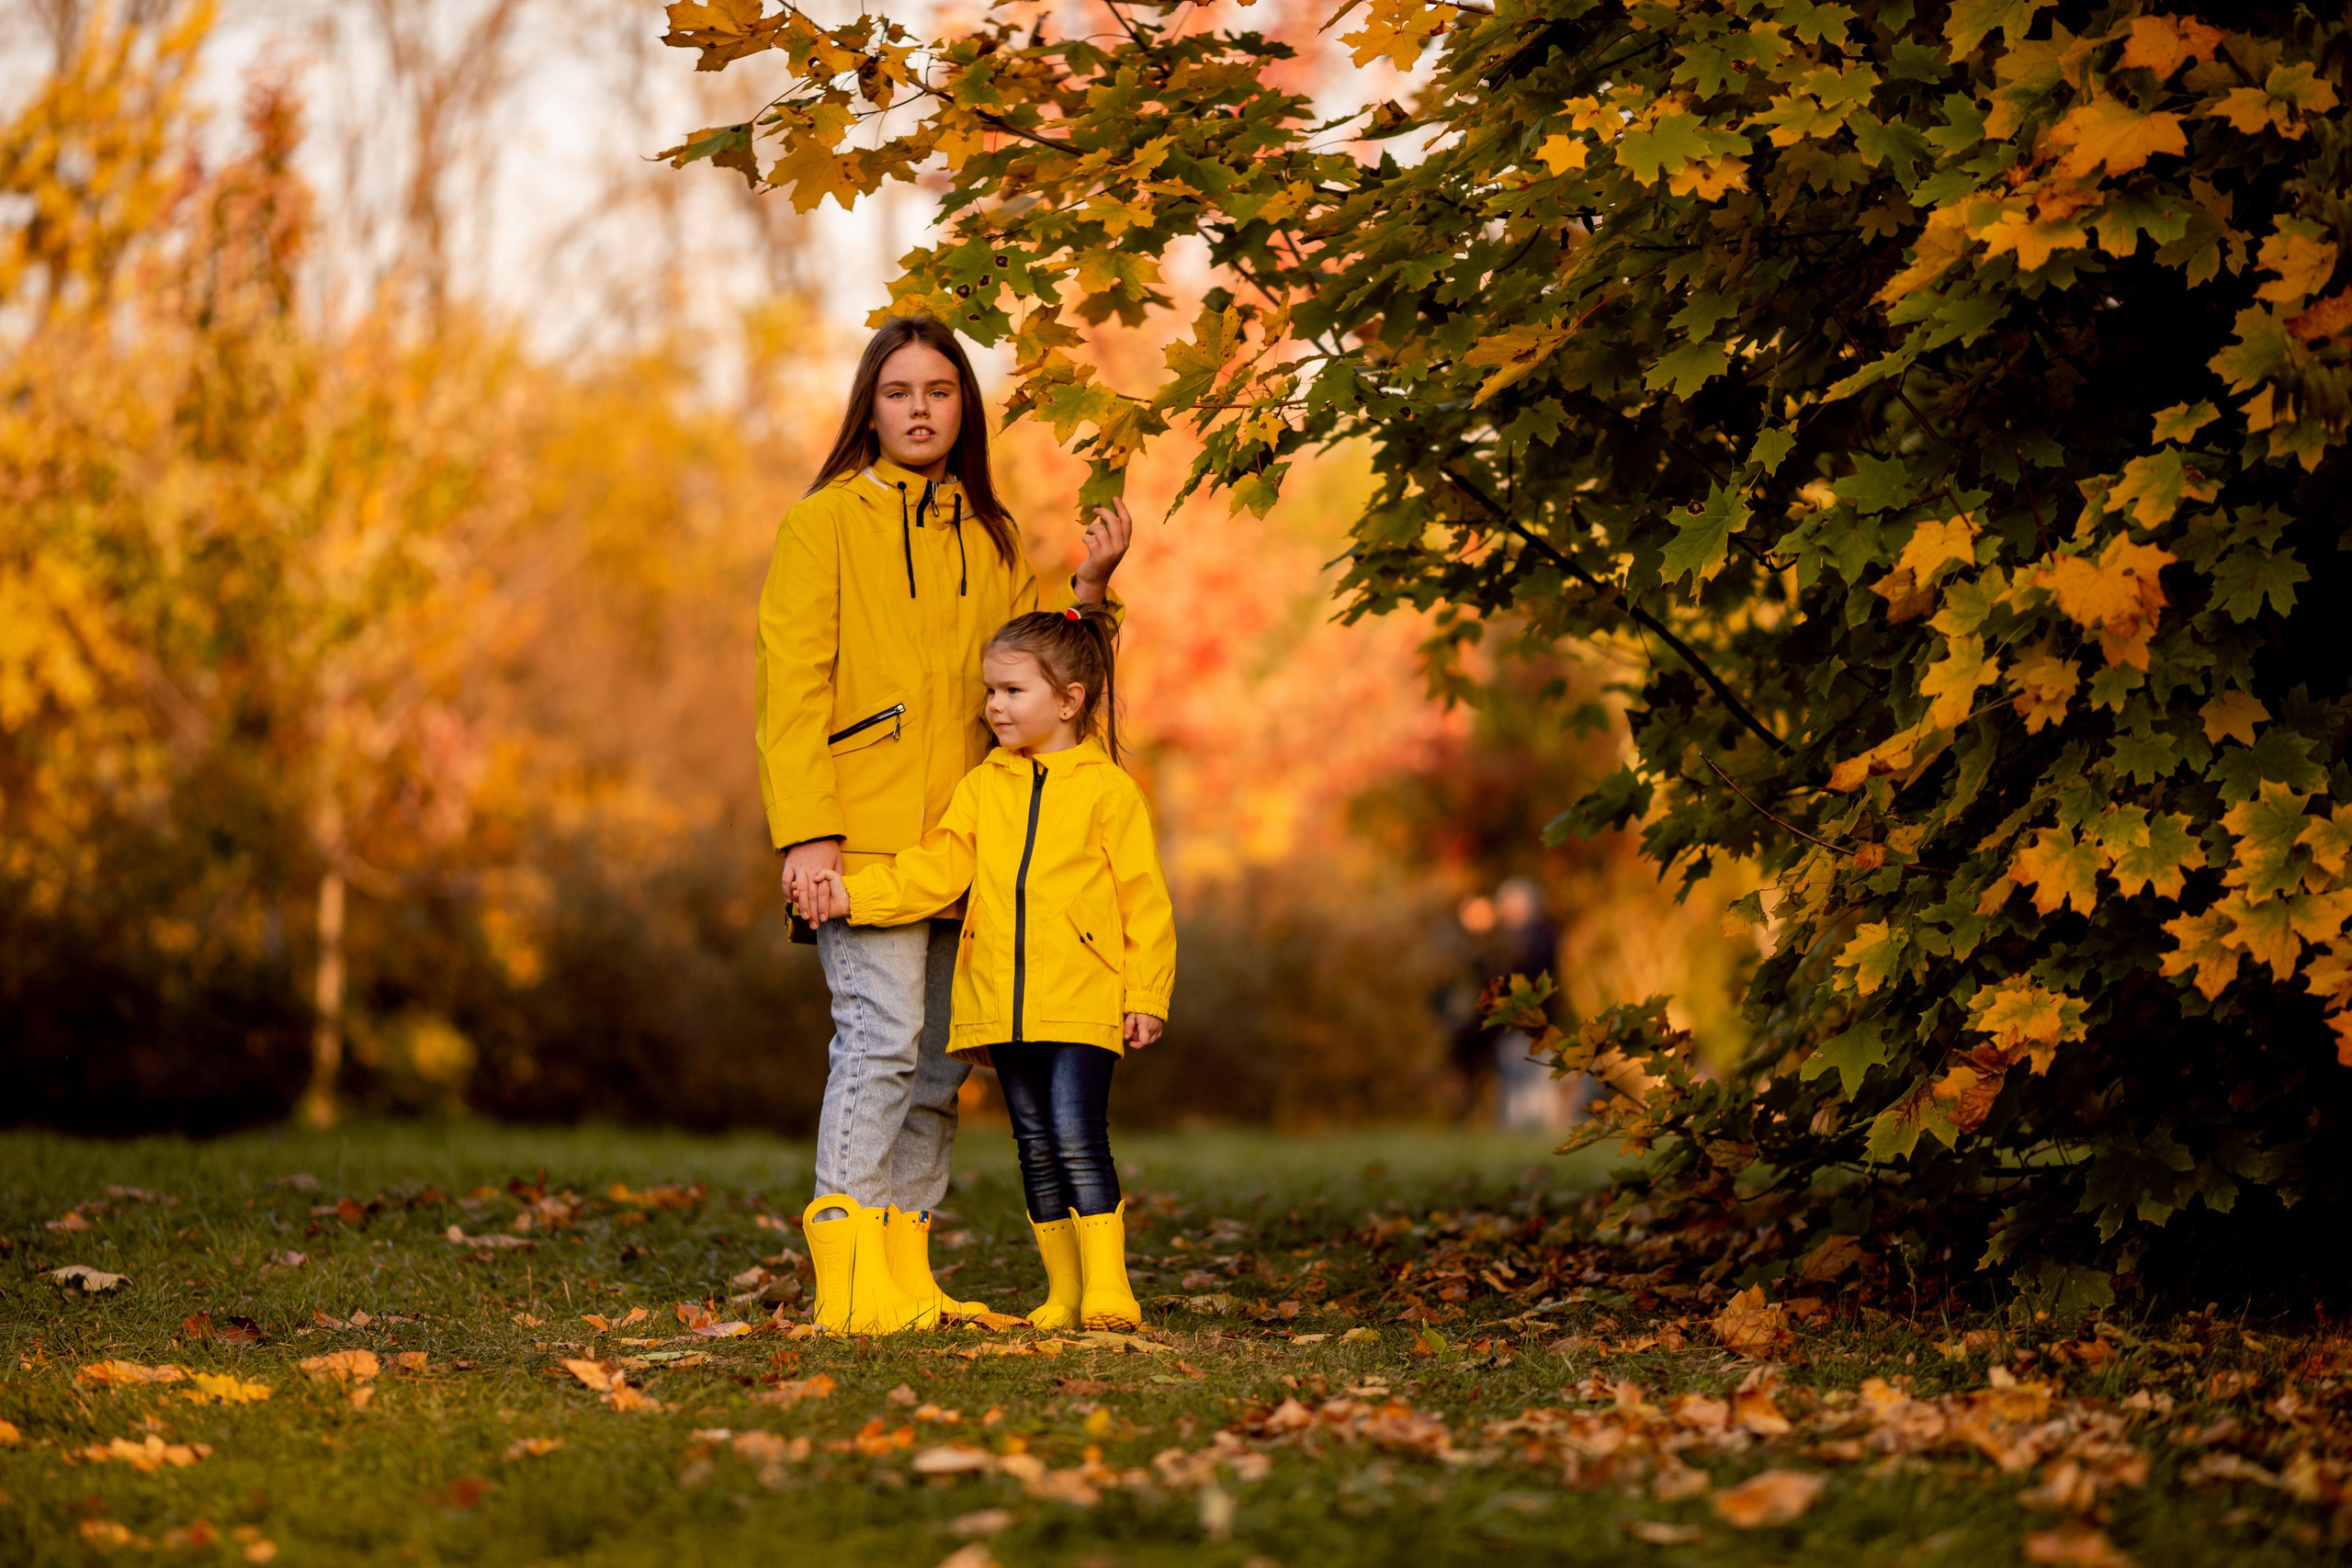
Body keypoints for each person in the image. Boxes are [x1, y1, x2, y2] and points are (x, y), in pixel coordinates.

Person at [757, 315, 1131, 1334]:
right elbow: (789, 695)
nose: (918, 410)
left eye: (938, 391)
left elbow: (1045, 676)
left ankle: (905, 1269)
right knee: (879, 1039)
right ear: (867, 409)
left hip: (969, 843)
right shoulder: (821, 525)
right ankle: (846, 1276)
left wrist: (1089, 596)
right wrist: (808, 835)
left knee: (935, 1064)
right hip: (861, 839)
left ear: (963, 407)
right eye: (897, 392)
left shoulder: (991, 533)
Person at [805, 604, 1175, 1333]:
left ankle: (1109, 1286)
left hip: (1081, 997)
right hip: (1002, 1005)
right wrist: (857, 893)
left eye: (1011, 691)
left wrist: (1147, 992)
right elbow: (936, 869)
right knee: (1034, 1143)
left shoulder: (1109, 792)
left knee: (1076, 1133)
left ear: (1069, 701)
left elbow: (1146, 901)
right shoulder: (982, 787)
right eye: (990, 691)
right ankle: (1064, 1292)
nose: (993, 706)